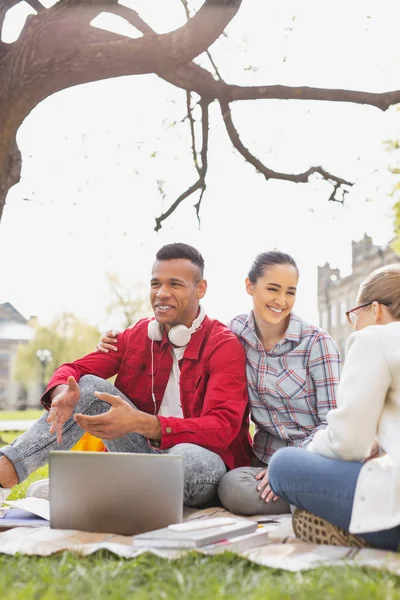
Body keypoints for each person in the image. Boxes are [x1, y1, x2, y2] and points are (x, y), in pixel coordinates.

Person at [0, 243, 252, 506]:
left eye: (174, 285)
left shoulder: (224, 346)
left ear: (200, 289)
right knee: (87, 386)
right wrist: (63, 392)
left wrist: (141, 423)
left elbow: (222, 428)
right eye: (155, 284)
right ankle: (6, 471)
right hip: (142, 455)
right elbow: (75, 370)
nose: (161, 293)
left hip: (202, 461)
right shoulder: (138, 335)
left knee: (183, 459)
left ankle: (89, 489)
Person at [99, 251, 341, 516]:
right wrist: (116, 340)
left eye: (290, 293)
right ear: (250, 286)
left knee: (234, 493)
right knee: (232, 487)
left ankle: (318, 495)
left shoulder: (317, 344)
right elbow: (196, 332)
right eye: (273, 289)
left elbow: (333, 423)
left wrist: (289, 465)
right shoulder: (235, 333)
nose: (281, 301)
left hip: (310, 459)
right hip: (259, 464)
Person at [268, 264, 400, 551]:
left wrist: (312, 451)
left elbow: (348, 443)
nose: (355, 324)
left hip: (395, 514)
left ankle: (353, 529)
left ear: (375, 310)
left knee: (282, 464)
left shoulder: (374, 339)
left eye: (355, 315)